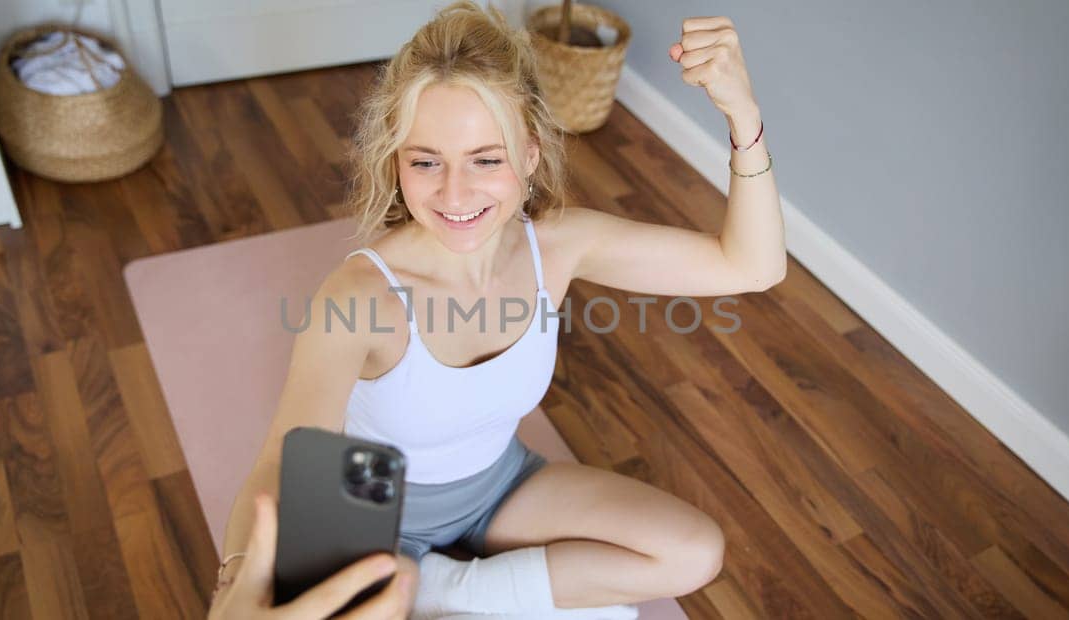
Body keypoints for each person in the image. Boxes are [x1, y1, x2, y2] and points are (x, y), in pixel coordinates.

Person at [209, 2, 784, 618]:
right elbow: (279, 459)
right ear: (396, 160)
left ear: (530, 155)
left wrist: (742, 113)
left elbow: (752, 266)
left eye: (486, 159)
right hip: (371, 513)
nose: (455, 194)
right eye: (426, 161)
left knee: (693, 551)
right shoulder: (360, 297)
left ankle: (445, 588)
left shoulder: (558, 247)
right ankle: (417, 580)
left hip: (499, 487)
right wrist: (236, 587)